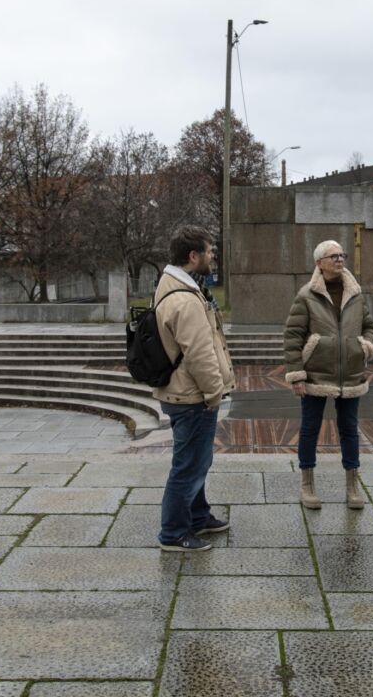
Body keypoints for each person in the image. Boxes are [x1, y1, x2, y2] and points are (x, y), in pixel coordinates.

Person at [153, 226, 236, 552]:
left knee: (195, 462)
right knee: (188, 466)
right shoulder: (186, 299)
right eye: (210, 251)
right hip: (192, 395)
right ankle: (173, 533)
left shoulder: (176, 285)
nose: (213, 256)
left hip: (183, 391)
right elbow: (200, 354)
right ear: (193, 256)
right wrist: (215, 393)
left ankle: (198, 516)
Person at [284, 240, 373, 510]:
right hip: (315, 375)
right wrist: (297, 374)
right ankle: (307, 484)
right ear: (319, 263)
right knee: (309, 429)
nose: (339, 259)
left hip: (351, 375)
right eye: (332, 256)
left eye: (341, 255)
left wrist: (366, 346)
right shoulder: (306, 296)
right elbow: (292, 336)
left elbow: (370, 326)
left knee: (349, 430)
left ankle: (352, 486)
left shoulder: (356, 295)